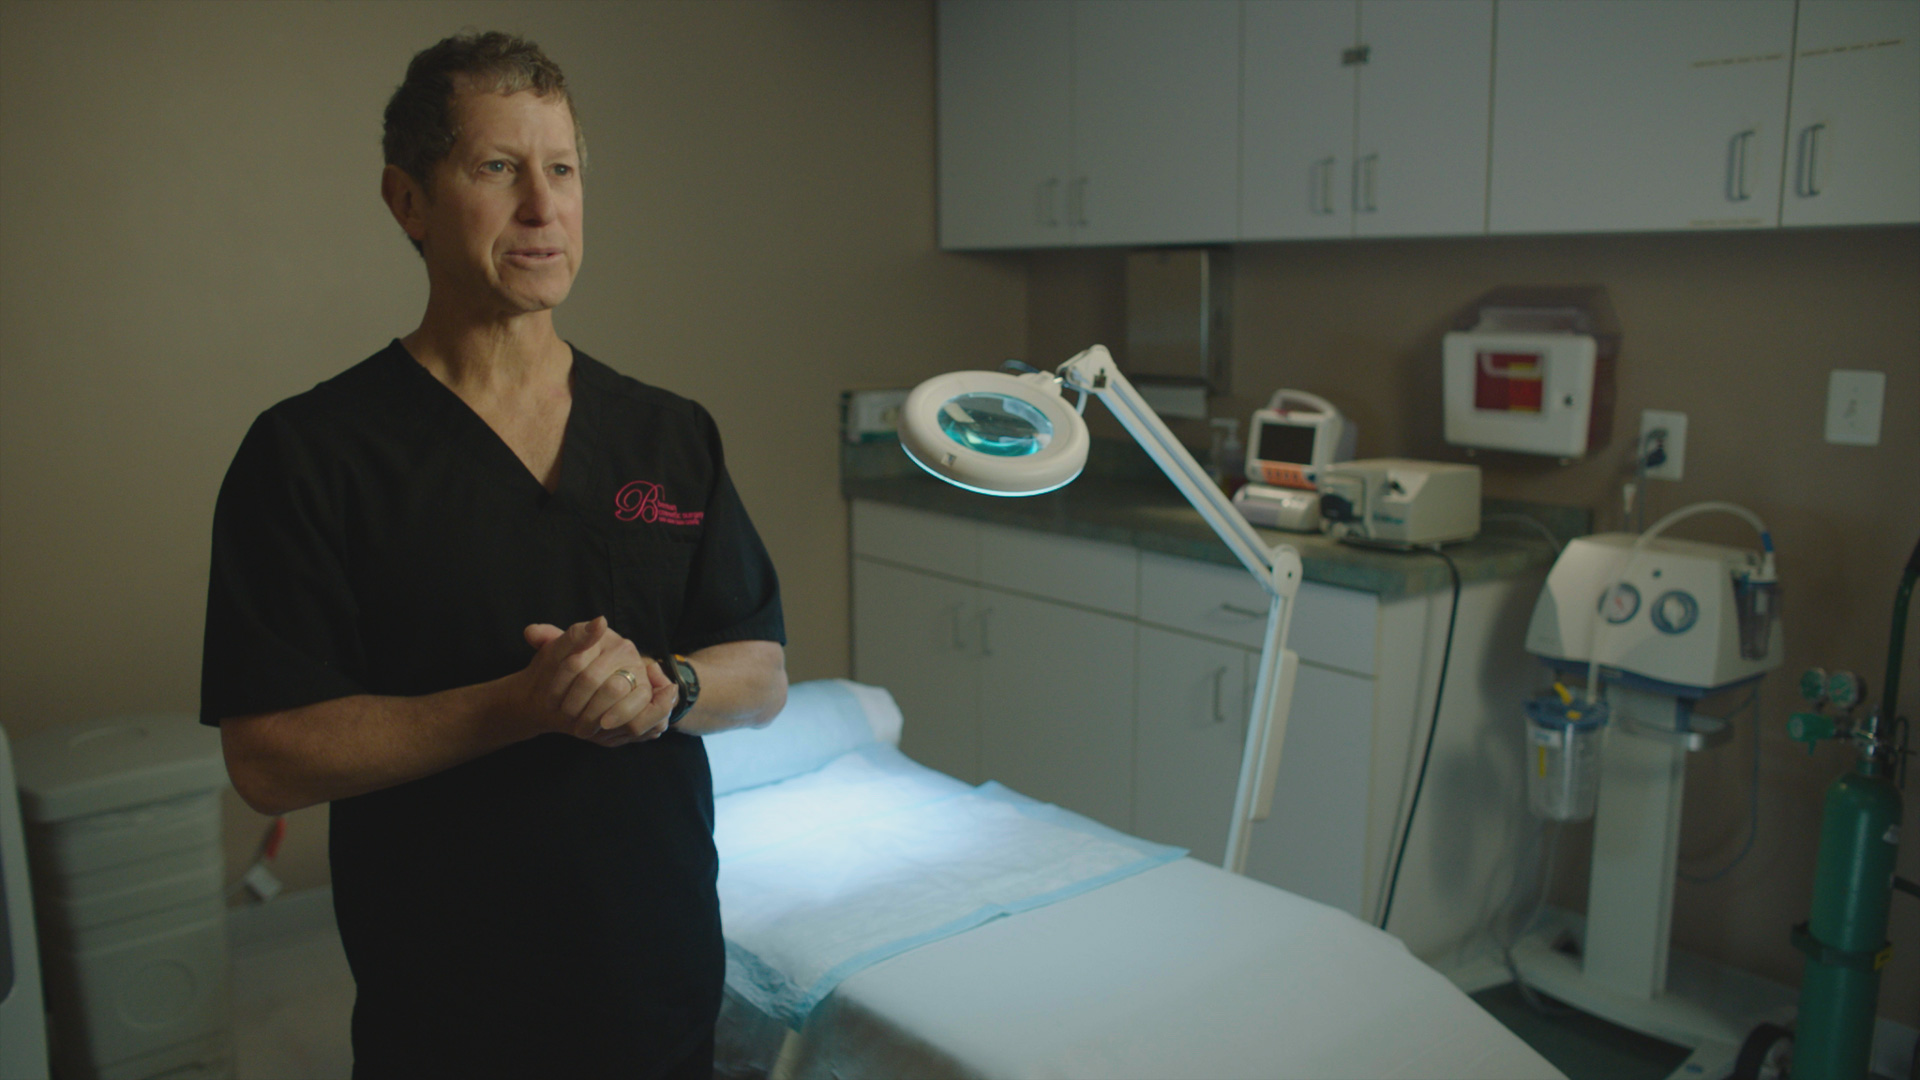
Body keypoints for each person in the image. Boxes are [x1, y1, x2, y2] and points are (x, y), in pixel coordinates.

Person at [200, 31, 787, 1079]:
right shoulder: (311, 454)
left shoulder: (669, 432)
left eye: (561, 170)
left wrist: (669, 687)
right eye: (497, 168)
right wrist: (519, 706)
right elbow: (268, 759)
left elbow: (762, 672)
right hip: (448, 1002)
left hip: (655, 973)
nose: (542, 207)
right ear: (407, 201)